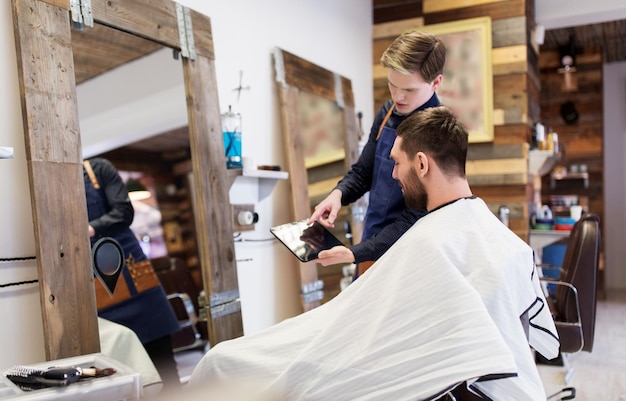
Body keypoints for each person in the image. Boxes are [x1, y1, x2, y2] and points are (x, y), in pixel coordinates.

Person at [187, 107, 559, 400]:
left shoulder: (431, 242)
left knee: (222, 362)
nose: (394, 175)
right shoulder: (503, 239)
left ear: (423, 164)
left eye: (397, 163)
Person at [308, 31, 446, 277]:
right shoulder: (387, 112)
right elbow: (363, 173)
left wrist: (356, 253)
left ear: (436, 82)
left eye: (409, 90)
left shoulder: (440, 133)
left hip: (409, 258)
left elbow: (415, 218)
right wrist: (337, 195)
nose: (398, 96)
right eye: (392, 85)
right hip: (371, 247)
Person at [83, 157, 181, 391]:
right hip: (98, 287)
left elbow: (124, 212)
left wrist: (89, 228)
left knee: (165, 367)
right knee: (121, 371)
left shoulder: (98, 170)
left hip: (137, 280)